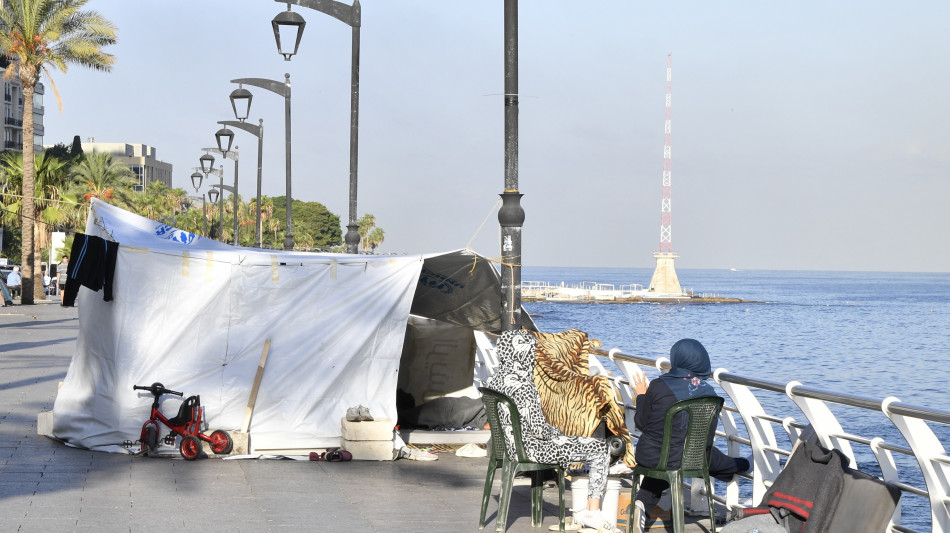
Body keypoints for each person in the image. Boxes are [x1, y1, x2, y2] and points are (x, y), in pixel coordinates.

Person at [487, 330, 612, 531]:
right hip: (531, 450)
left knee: (575, 444)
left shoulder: (494, 382)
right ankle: (592, 511)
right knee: (599, 449)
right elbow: (539, 430)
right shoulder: (524, 386)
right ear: (525, 353)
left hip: (508, 448)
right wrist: (561, 435)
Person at [628, 339, 751, 533]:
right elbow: (706, 441)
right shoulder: (708, 392)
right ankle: (744, 466)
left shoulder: (658, 385)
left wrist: (641, 395)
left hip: (650, 456)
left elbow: (641, 424)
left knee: (668, 460)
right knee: (708, 459)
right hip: (692, 458)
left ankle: (641, 505)